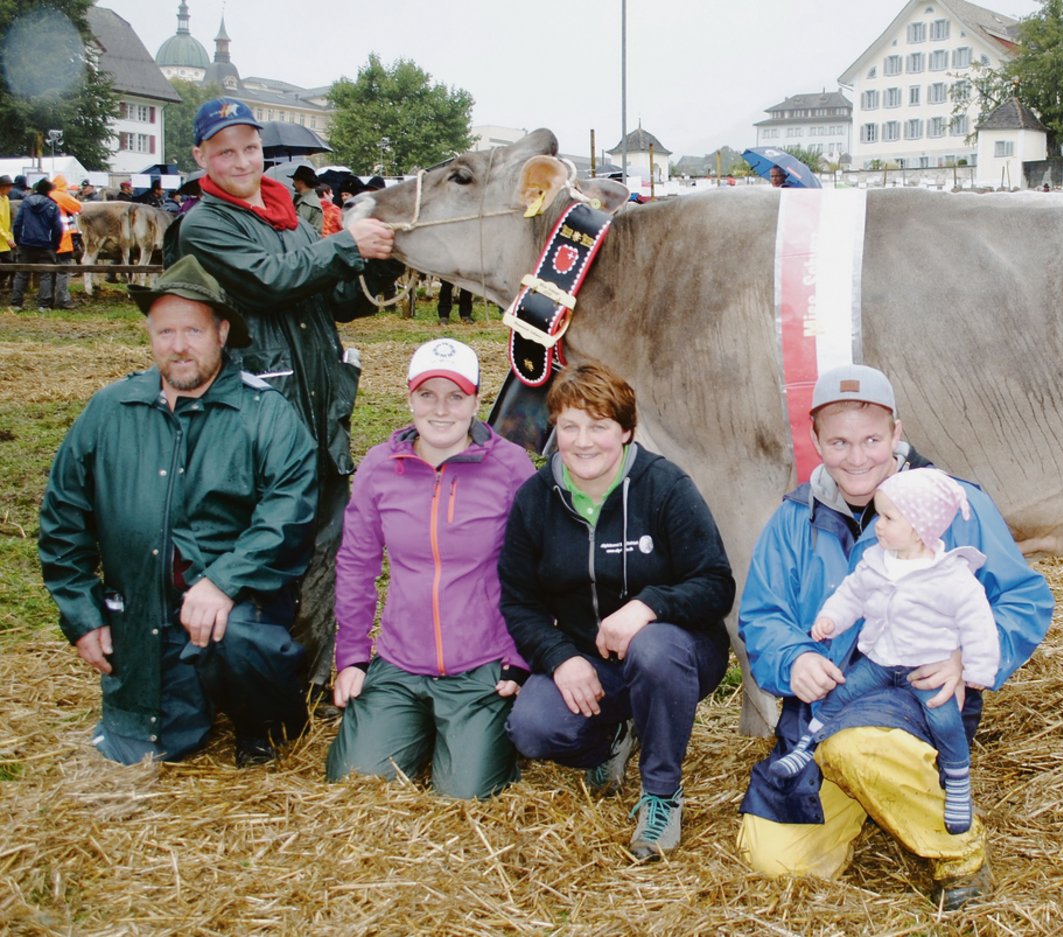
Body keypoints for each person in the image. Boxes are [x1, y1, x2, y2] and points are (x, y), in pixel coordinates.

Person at [736, 364, 1053, 909]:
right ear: (815, 441)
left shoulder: (953, 504)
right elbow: (763, 615)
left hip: (920, 696)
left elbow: (1025, 599)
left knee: (857, 747)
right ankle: (873, 788)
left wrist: (965, 659)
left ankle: (959, 853)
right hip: (826, 703)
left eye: (871, 440)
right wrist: (793, 661)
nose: (857, 458)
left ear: (897, 434)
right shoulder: (794, 518)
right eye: (838, 442)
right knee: (775, 859)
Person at [38, 256, 318, 766]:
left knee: (244, 643)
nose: (179, 345)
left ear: (222, 332)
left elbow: (289, 513)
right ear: (150, 336)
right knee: (159, 746)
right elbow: (62, 520)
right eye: (165, 331)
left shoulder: (266, 413)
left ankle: (260, 723)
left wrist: (223, 581)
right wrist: (82, 615)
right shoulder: (110, 409)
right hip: (140, 602)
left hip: (234, 604)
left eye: (193, 329)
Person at [171, 97, 401, 706]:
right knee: (267, 547)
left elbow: (329, 298)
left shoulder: (287, 213)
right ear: (202, 157)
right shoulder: (203, 224)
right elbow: (273, 280)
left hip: (320, 407)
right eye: (226, 150)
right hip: (258, 413)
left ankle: (317, 680)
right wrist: (346, 245)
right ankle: (257, 691)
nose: (242, 160)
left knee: (326, 543)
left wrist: (381, 266)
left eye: (250, 147)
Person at [498, 363, 735, 860]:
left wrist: (649, 605)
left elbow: (716, 584)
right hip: (592, 660)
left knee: (653, 647)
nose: (584, 442)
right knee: (533, 726)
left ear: (626, 431)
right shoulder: (536, 501)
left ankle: (662, 793)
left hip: (678, 653)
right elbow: (520, 602)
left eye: (600, 426)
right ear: (554, 430)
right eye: (570, 426)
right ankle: (611, 739)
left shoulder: (664, 487)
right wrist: (561, 657)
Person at [326, 338, 535, 798]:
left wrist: (519, 659)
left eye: (456, 397)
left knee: (465, 796)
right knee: (356, 785)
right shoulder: (382, 466)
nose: (441, 410)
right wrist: (353, 657)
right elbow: (357, 564)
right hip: (401, 663)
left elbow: (536, 567)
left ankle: (469, 737)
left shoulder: (511, 467)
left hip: (480, 667)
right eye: (427, 395)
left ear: (477, 402)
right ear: (409, 397)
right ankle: (409, 725)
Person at [768, 468, 999, 837]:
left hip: (924, 668)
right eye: (879, 515)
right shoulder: (876, 560)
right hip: (879, 660)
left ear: (919, 527)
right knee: (839, 695)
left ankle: (957, 778)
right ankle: (805, 747)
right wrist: (831, 619)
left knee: (943, 718)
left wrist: (978, 670)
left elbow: (979, 624)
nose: (878, 525)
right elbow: (851, 594)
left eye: (888, 517)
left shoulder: (952, 576)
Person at [9, 178, 62, 310]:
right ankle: (43, 305)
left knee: (22, 274)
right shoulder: (52, 206)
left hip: (26, 243)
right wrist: (55, 245)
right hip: (46, 245)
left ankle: (16, 304)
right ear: (48, 192)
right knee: (46, 274)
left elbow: (17, 224)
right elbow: (58, 229)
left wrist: (18, 241)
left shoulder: (26, 203)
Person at [48, 176, 82, 310]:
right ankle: (62, 300)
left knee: (48, 272)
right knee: (63, 271)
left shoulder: (46, 196)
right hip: (63, 240)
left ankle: (46, 300)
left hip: (46, 241)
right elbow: (78, 207)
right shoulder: (61, 196)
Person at [290, 165, 323, 233]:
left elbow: (298, 226)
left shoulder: (307, 202)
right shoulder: (306, 198)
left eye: (295, 180)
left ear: (301, 182)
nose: (293, 183)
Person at [0, 175, 14, 296]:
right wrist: (7, 237)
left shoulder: (6, 199)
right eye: (8, 186)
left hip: (4, 240)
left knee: (9, 263)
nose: (10, 189)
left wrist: (9, 237)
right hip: (3, 238)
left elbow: (6, 221)